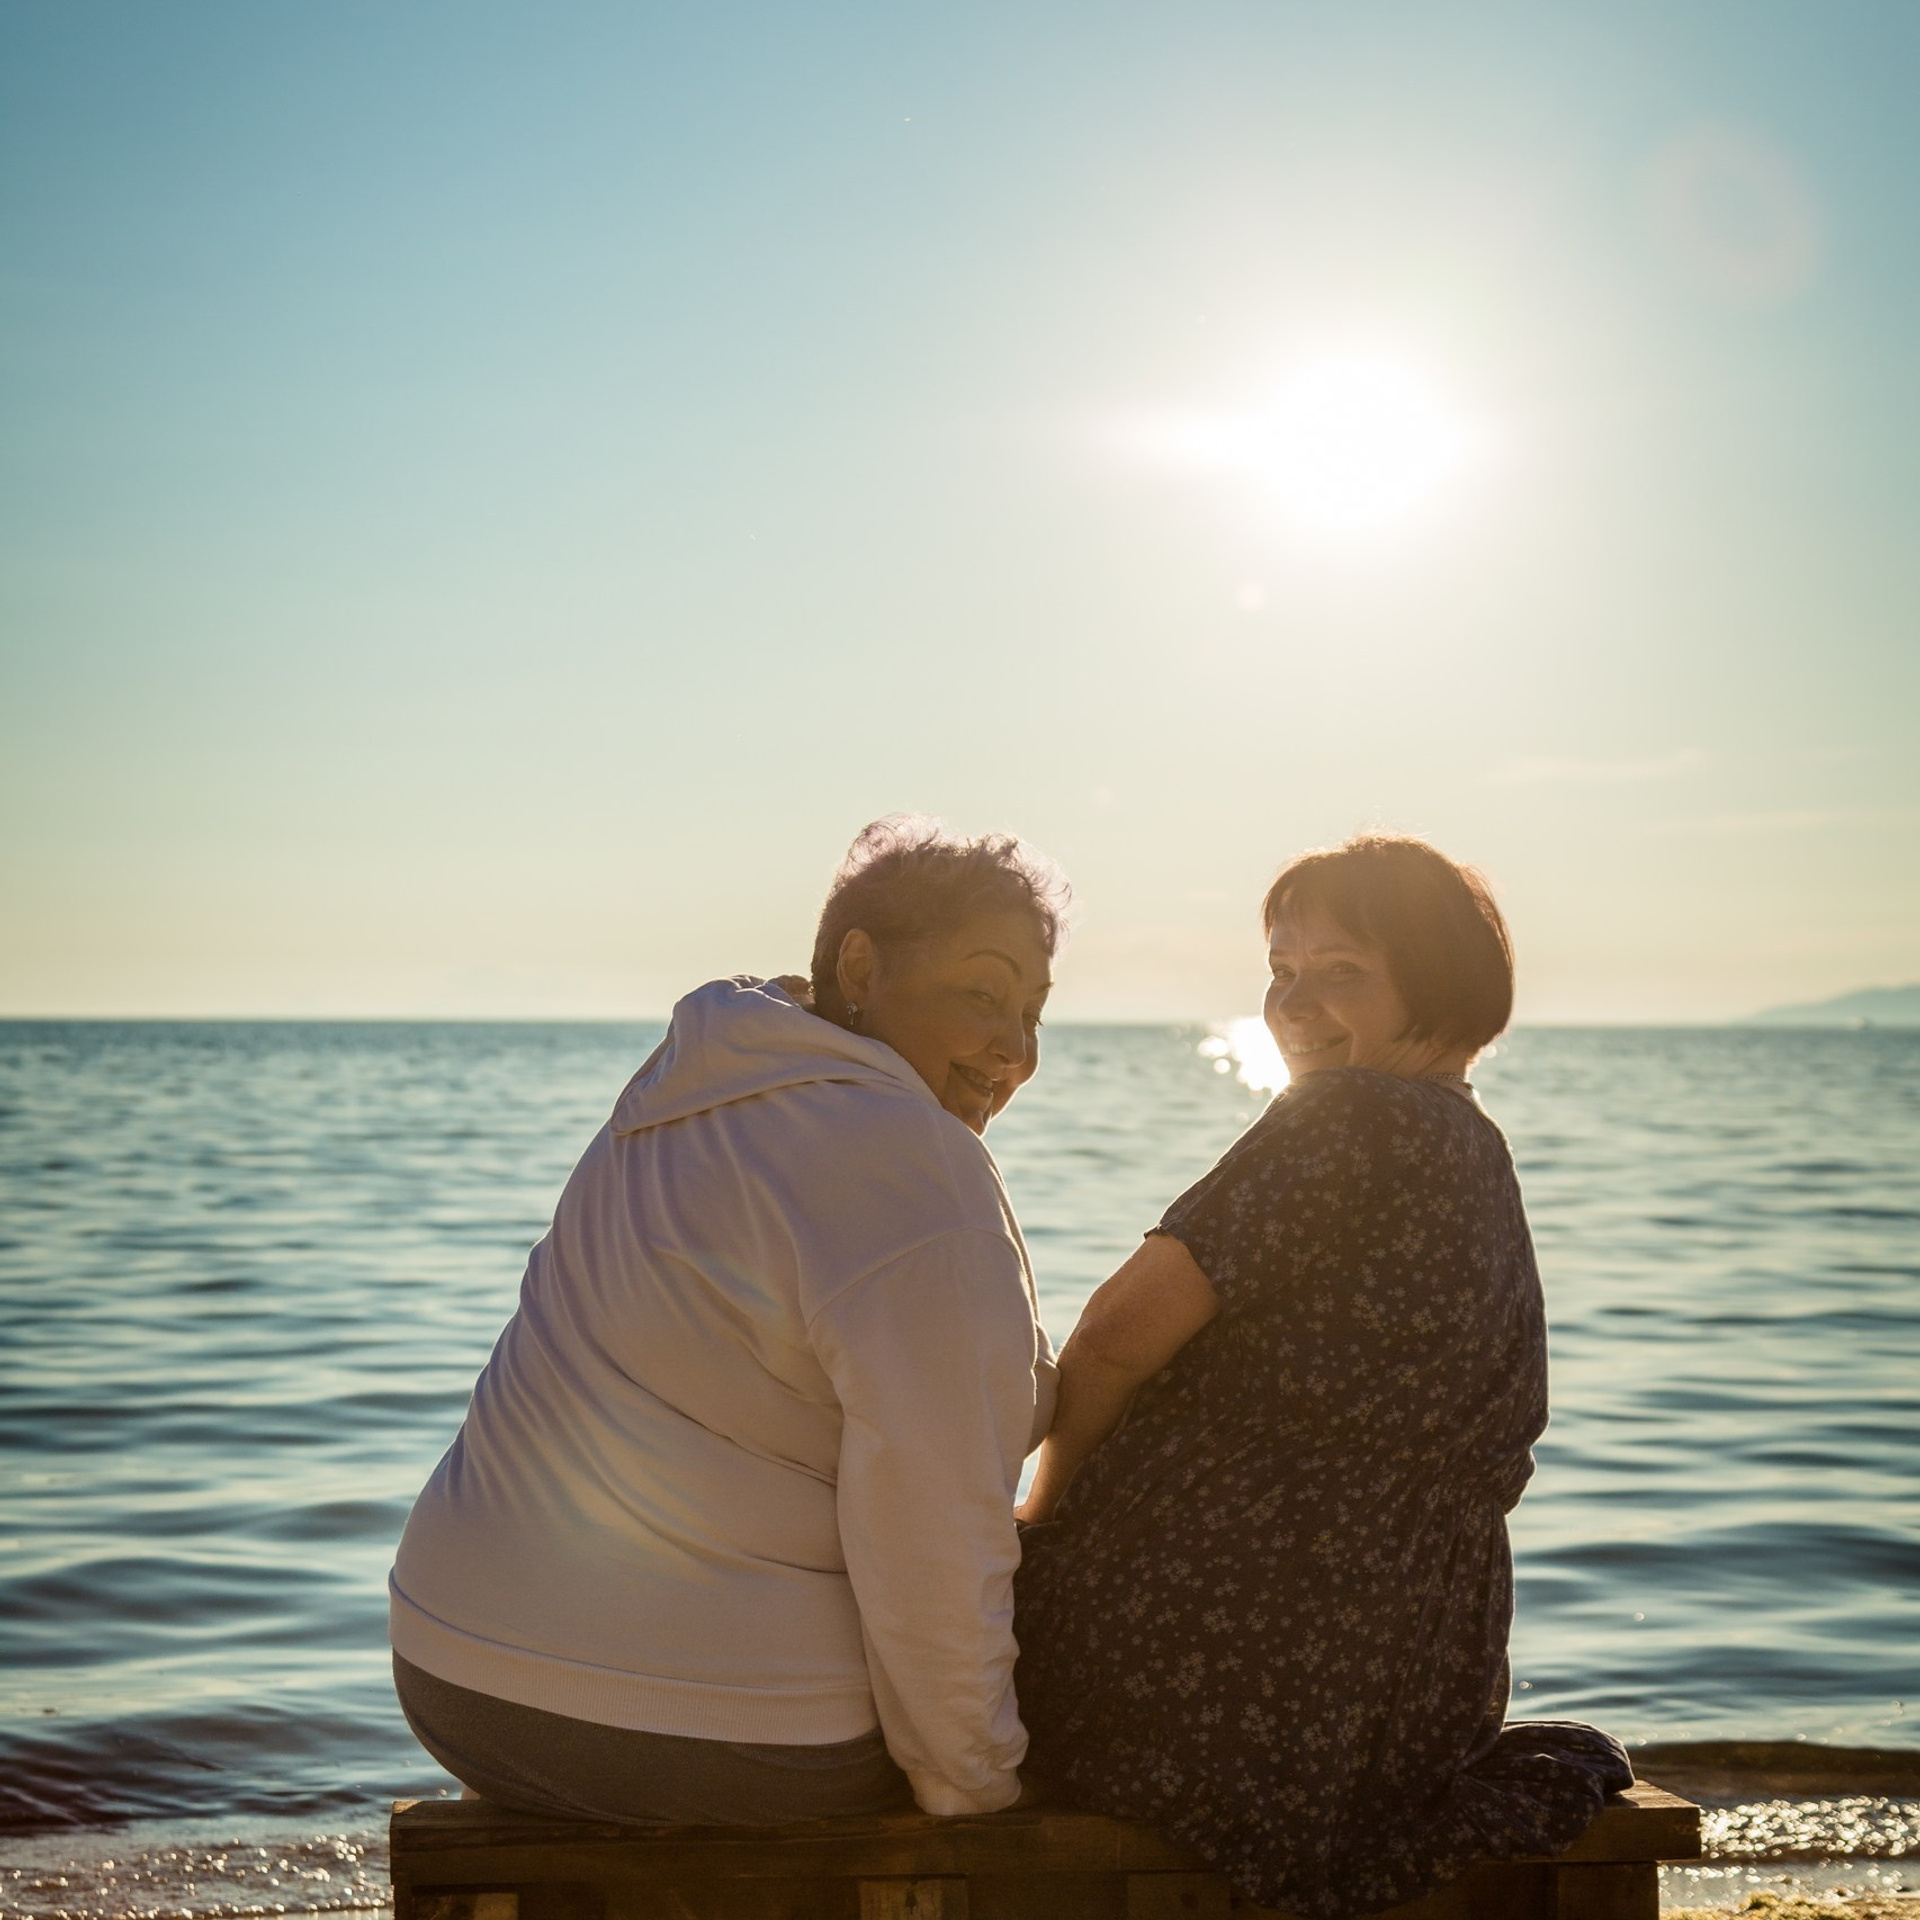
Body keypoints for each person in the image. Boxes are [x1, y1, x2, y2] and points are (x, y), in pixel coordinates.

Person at [389, 817, 1065, 1824]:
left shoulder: (692, 1086)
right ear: (860, 967)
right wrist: (974, 1793)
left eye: (1034, 1012)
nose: (1015, 1049)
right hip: (690, 1726)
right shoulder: (913, 1164)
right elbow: (932, 1527)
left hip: (451, 1674)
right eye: (982, 994)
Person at [1012, 834, 1629, 1920]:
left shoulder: (1348, 1116)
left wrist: (1042, 1527)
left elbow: (1112, 1337)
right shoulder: (1474, 1148)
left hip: (1218, 1661)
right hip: (1409, 1692)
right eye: (1281, 969)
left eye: (1341, 971)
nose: (1293, 1004)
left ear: (1439, 984)